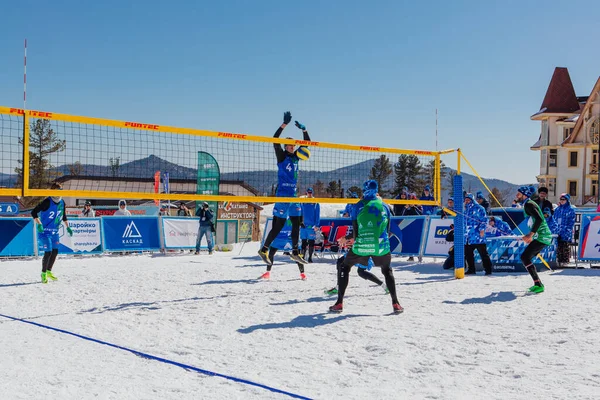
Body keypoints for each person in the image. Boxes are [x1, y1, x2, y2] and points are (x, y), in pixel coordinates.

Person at [329, 180, 403, 314]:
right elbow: (387, 230)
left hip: (362, 246)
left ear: (364, 191)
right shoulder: (385, 206)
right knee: (387, 271)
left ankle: (339, 303)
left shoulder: (357, 206)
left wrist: (346, 239)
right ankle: (396, 303)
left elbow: (356, 233)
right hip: (381, 246)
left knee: (344, 266)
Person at [258, 112, 311, 265]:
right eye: (289, 145)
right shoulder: (282, 156)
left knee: (296, 223)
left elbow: (307, 143)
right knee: (278, 226)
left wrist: (304, 130)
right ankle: (264, 249)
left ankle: (295, 252)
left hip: (293, 195)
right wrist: (284, 124)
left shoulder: (296, 157)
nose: (292, 146)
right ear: (285, 146)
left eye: (293, 145)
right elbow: (275, 140)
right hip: (282, 195)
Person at [31, 182, 73, 283]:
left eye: (61, 191)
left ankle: (49, 271)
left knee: (55, 252)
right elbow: (33, 212)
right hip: (44, 232)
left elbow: (63, 216)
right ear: (53, 191)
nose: (59, 193)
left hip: (55, 232)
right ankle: (43, 273)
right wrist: (39, 224)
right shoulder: (47, 201)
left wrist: (68, 227)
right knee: (48, 252)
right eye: (57, 191)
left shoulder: (62, 202)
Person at [514, 186, 553, 293]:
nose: (516, 195)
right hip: (541, 236)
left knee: (525, 257)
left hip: (543, 236)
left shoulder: (529, 204)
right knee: (525, 258)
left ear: (524, 195)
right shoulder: (528, 204)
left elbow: (540, 219)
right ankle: (537, 283)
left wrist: (530, 235)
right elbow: (534, 221)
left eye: (519, 193)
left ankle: (538, 284)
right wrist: (531, 235)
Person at [464, 193, 493, 275]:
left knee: (483, 253)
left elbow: (484, 220)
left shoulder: (479, 208)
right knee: (468, 254)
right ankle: (471, 269)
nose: (466, 201)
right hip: (468, 237)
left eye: (468, 199)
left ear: (472, 200)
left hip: (478, 236)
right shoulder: (465, 210)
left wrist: (482, 229)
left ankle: (488, 269)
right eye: (465, 200)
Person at [554, 193, 576, 266]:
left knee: (565, 245)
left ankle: (565, 261)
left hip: (566, 231)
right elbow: (554, 219)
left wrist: (567, 229)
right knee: (558, 246)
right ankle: (559, 260)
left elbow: (572, 220)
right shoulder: (557, 209)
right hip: (558, 231)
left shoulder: (570, 209)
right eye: (561, 199)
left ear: (567, 200)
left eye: (564, 199)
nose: (562, 201)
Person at [300, 187, 321, 263]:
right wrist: (300, 222)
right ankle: (302, 257)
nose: (309, 194)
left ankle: (310, 258)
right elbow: (300, 212)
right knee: (303, 242)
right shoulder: (303, 201)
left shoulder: (315, 202)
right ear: (306, 192)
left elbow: (317, 214)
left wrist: (316, 225)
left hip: (311, 226)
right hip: (304, 226)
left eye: (310, 192)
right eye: (308, 192)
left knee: (311, 242)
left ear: (312, 193)